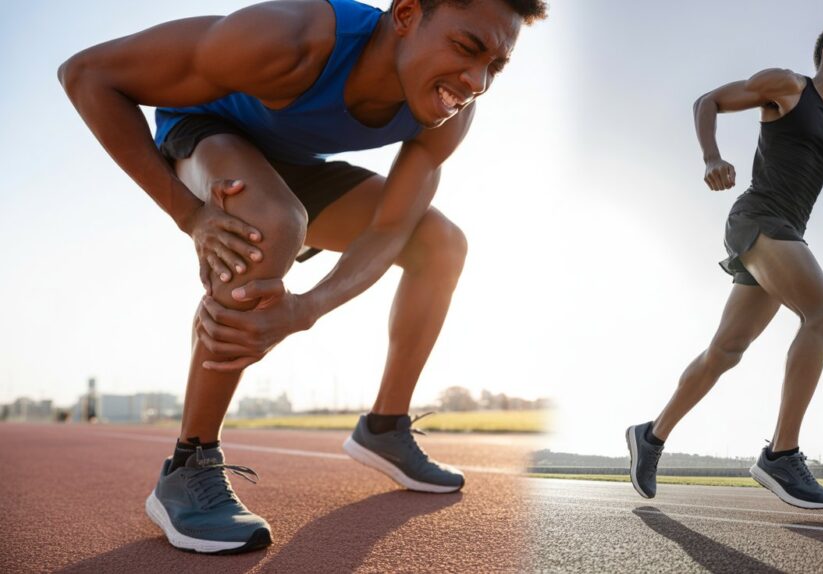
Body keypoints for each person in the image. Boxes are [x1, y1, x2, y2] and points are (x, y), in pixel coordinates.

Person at [60, 0, 546, 554]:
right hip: (206, 132)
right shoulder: (285, 40)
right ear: (407, 14)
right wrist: (190, 214)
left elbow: (390, 228)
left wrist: (306, 307)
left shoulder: (451, 108)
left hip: (296, 167)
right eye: (466, 48)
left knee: (440, 244)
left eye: (495, 65)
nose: (477, 80)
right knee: (272, 220)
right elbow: (87, 74)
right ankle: (188, 464)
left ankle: (384, 428)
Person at [626, 20, 823, 509]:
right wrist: (712, 157)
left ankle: (650, 436)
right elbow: (707, 102)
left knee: (726, 351)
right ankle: (781, 454)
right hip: (758, 218)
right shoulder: (789, 87)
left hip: (785, 236)